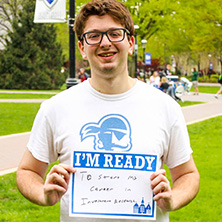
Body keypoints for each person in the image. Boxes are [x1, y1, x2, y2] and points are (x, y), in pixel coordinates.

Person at [16, 1, 200, 222]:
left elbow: (188, 174)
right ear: (82, 48)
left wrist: (173, 198)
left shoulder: (165, 107)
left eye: (115, 34)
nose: (105, 43)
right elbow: (27, 171)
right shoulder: (56, 108)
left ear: (130, 43)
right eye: (93, 36)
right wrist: (42, 194)